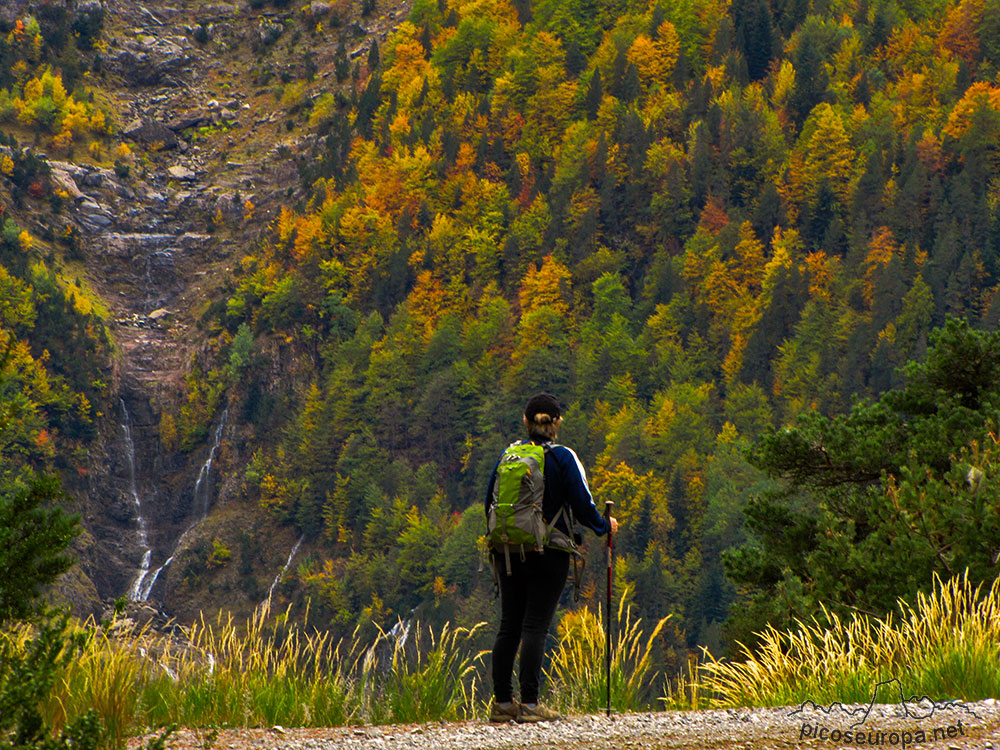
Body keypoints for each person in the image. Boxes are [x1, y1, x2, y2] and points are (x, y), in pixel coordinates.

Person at [485, 392, 618, 723]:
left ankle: (502, 703)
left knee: (509, 625)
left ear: (526, 421)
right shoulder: (563, 457)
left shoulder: (509, 455)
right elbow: (583, 506)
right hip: (550, 551)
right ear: (557, 422)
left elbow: (489, 500)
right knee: (535, 625)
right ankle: (530, 705)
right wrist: (605, 526)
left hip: (507, 549)